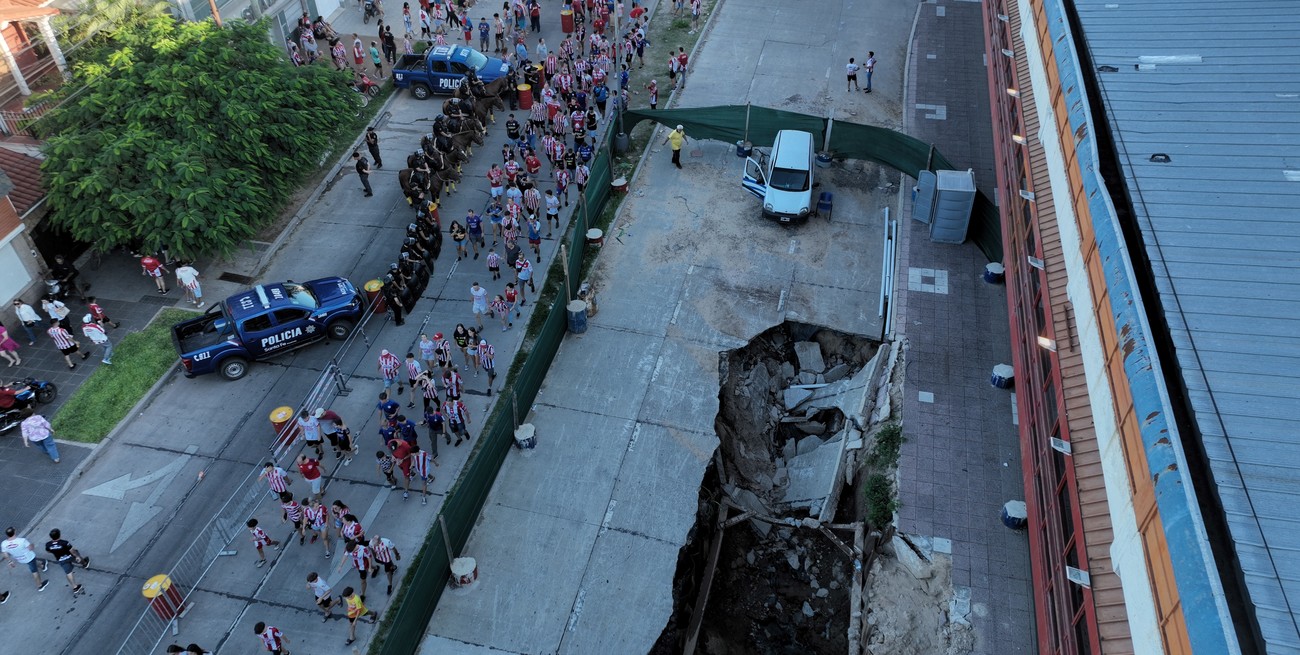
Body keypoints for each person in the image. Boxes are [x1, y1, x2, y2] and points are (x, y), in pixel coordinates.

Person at [2, 527, 49, 592]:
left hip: (20, 559)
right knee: (34, 571)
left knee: (32, 564)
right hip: (29, 557)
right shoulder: (22, 541)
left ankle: (42, 565)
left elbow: (5, 553)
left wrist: (10, 561)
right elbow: (30, 548)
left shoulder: (4, 544)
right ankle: (40, 585)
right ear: (14, 532)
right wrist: (32, 545)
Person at [44, 528, 89, 595]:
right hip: (70, 556)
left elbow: (48, 551)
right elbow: (72, 551)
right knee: (77, 555)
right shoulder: (64, 543)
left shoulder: (48, 544)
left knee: (68, 573)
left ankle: (75, 587)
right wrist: (77, 556)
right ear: (59, 535)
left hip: (61, 560)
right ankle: (84, 563)